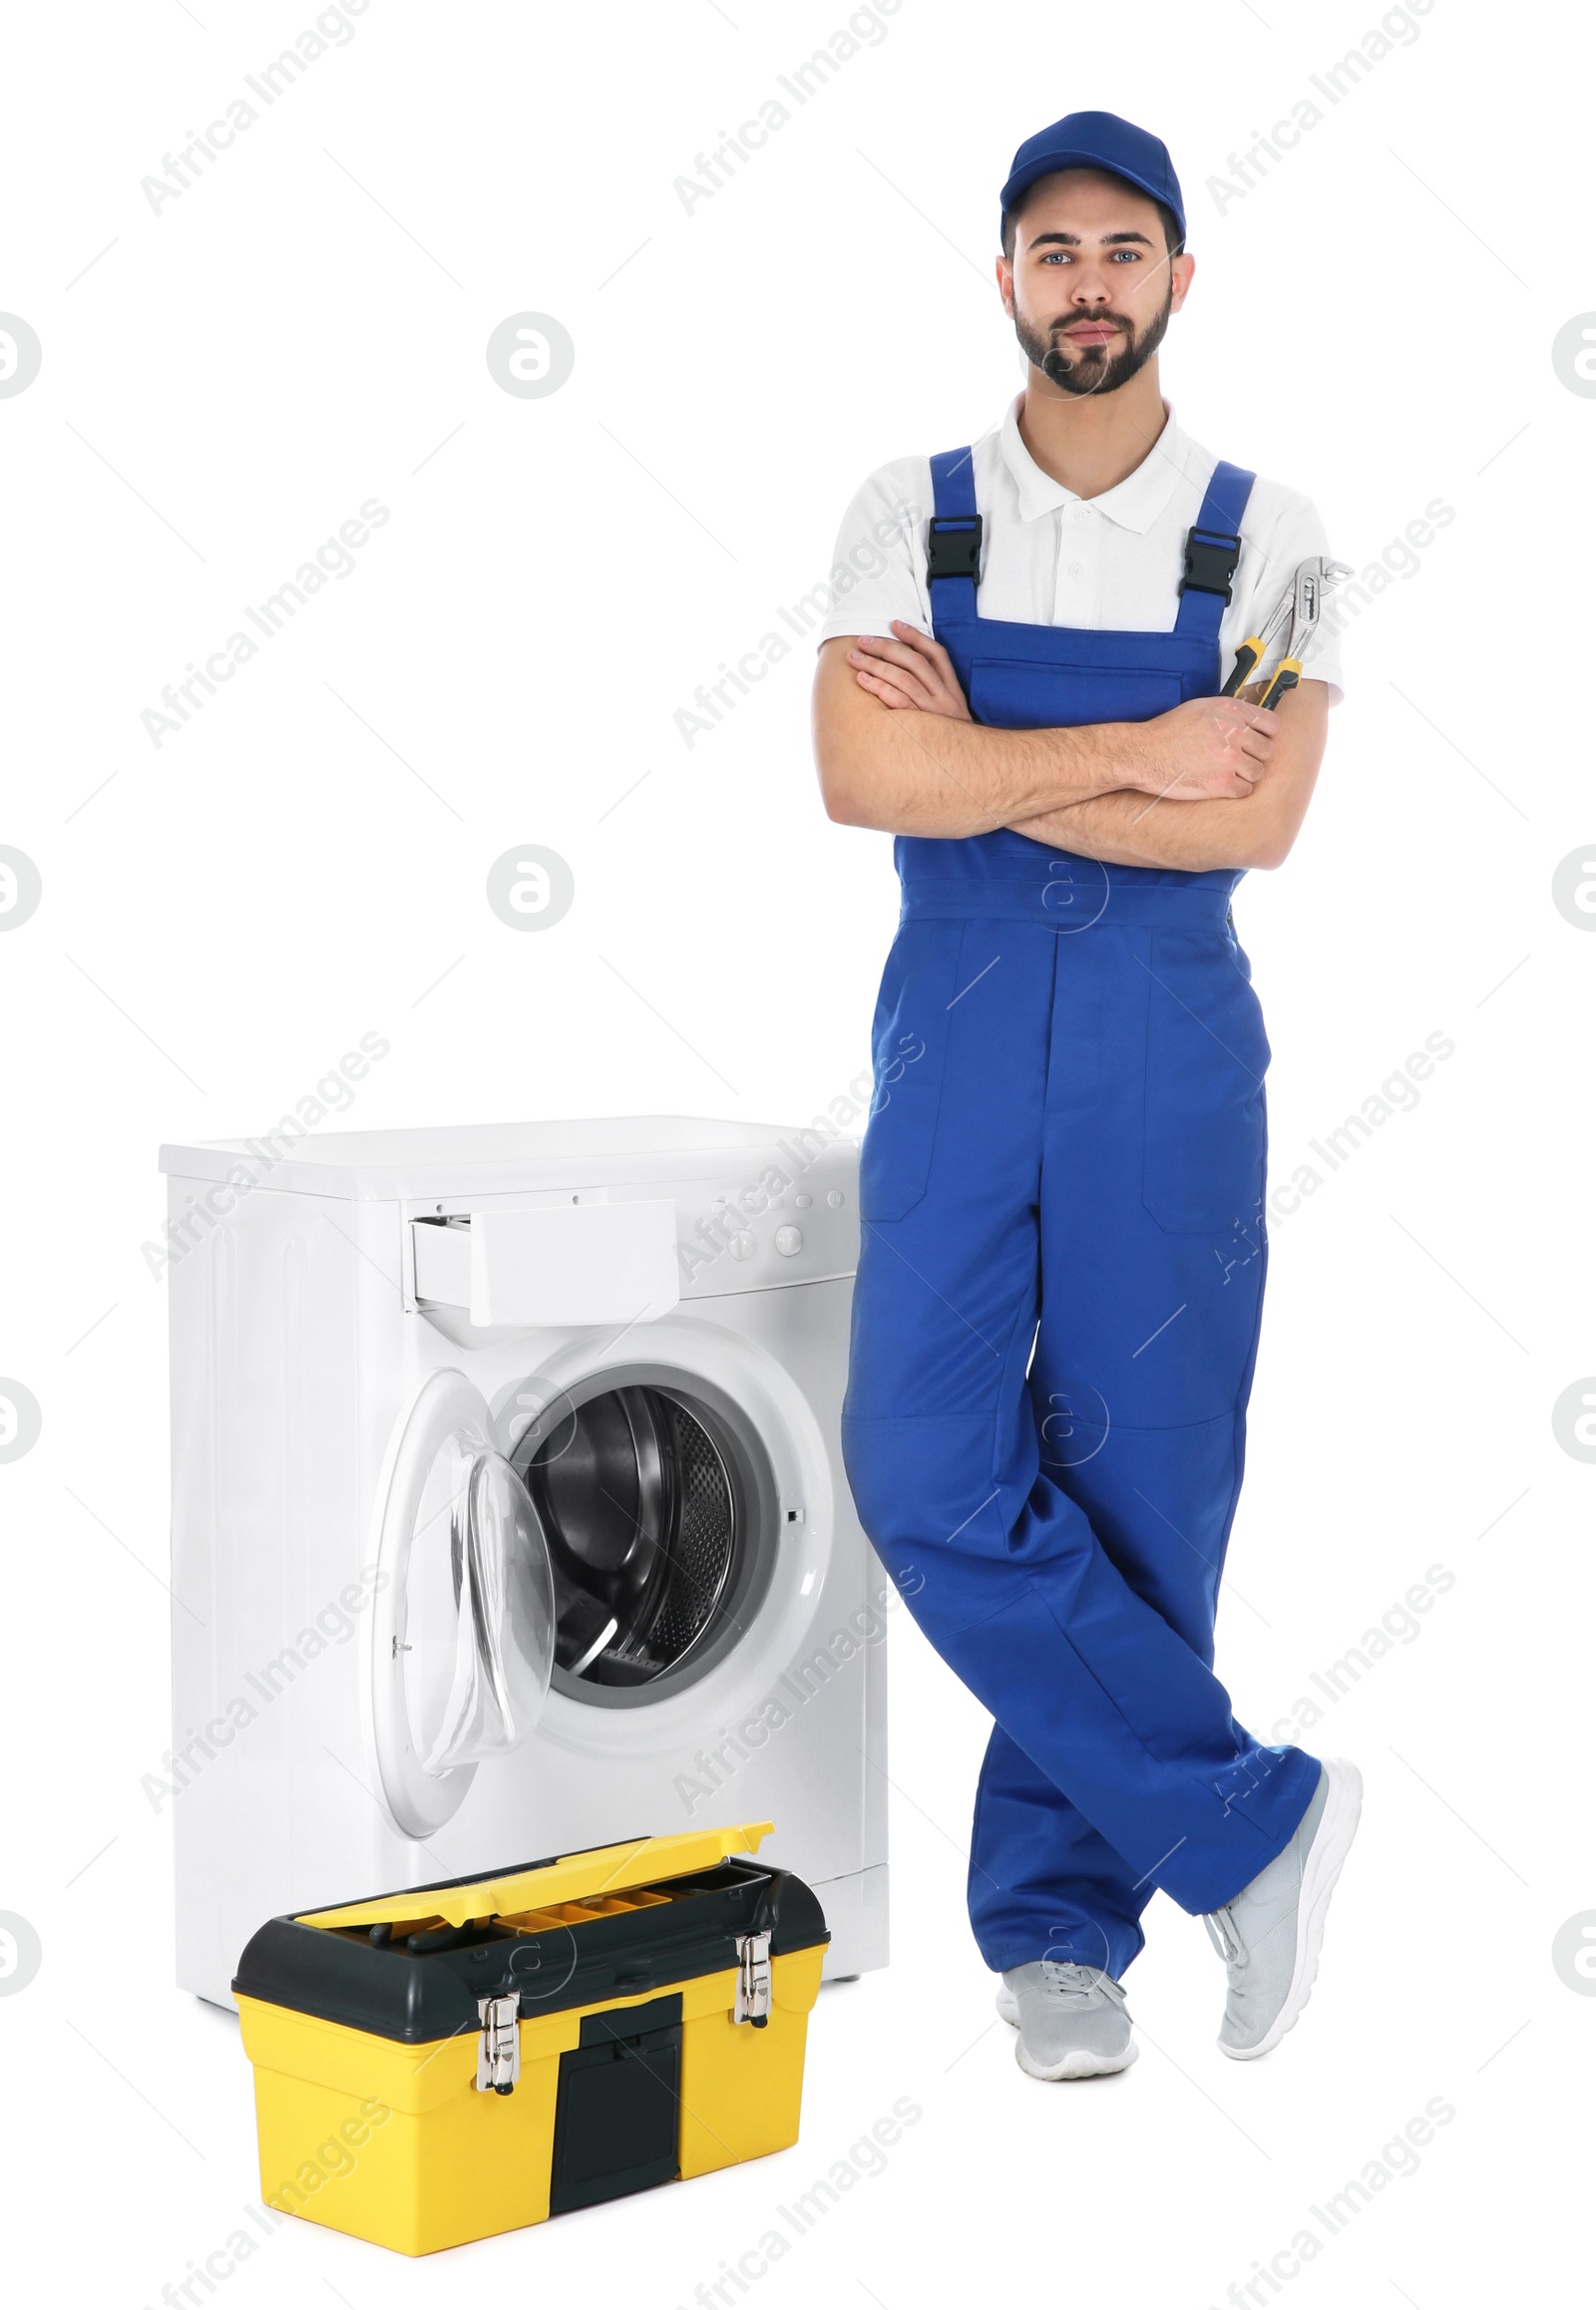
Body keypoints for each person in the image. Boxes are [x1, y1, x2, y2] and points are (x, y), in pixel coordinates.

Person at [811, 110, 1361, 2083]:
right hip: (951, 1032)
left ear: (1176, 277)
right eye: (1051, 253)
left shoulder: (1266, 535)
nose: (1087, 285)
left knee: (1140, 1480)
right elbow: (865, 785)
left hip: (1162, 1046)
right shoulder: (909, 512)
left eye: (1121, 250)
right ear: (1005, 281)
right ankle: (1248, 1816)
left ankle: (1061, 1945)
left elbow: (1263, 821)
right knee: (919, 1464)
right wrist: (1142, 749)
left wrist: (1000, 761)